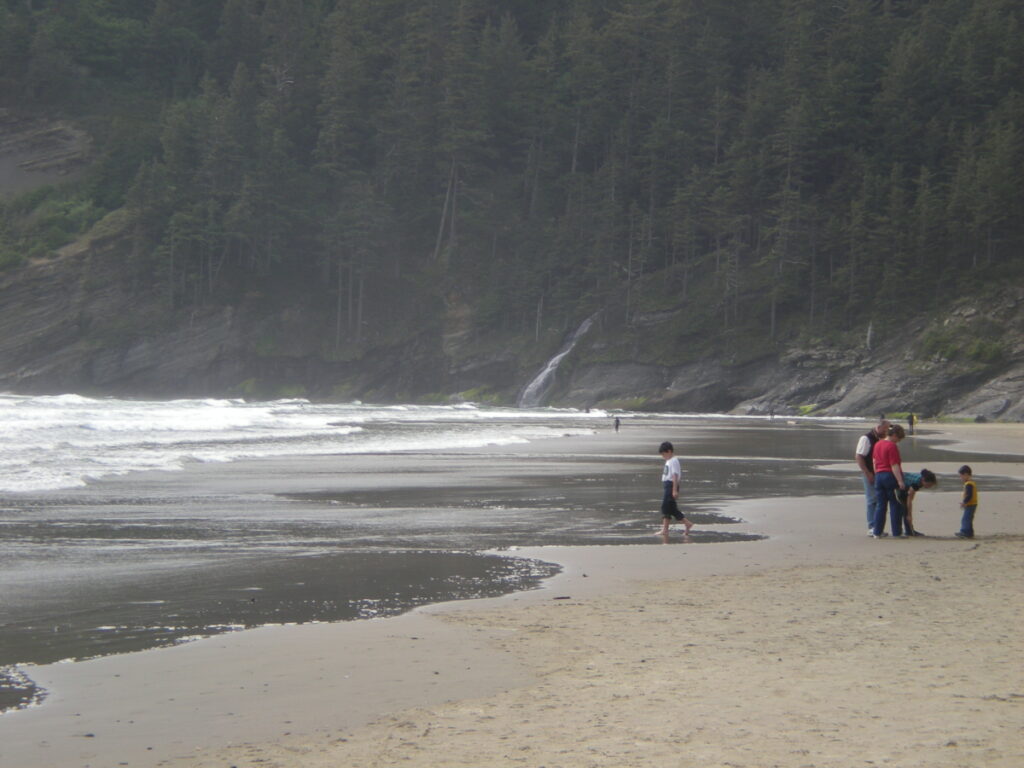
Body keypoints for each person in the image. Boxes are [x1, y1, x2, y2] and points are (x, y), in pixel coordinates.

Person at [855, 418, 890, 535]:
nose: (887, 432)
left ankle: (877, 527)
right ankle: (872, 527)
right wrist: (867, 473)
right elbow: (859, 457)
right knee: (872, 500)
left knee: (880, 500)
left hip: (880, 474)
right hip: (869, 473)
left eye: (888, 429)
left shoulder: (882, 439)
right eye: (885, 429)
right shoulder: (866, 438)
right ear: (878, 427)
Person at [871, 424, 906, 538]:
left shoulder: (877, 444)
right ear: (894, 435)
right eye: (899, 438)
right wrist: (900, 481)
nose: (898, 441)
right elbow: (894, 465)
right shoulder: (891, 446)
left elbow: (874, 461)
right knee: (895, 504)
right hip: (890, 476)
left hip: (879, 476)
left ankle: (877, 532)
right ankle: (897, 532)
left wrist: (876, 474)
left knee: (881, 505)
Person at [657, 441, 692, 537]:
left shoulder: (673, 460)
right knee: (670, 508)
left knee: (666, 507)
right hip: (667, 485)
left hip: (671, 485)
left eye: (664, 454)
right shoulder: (669, 460)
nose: (663, 456)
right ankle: (668, 529)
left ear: (669, 451)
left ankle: (667, 529)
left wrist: (674, 490)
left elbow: (675, 475)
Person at [896, 468, 937, 536]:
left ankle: (909, 530)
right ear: (924, 480)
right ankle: (907, 531)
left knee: (905, 511)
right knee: (905, 511)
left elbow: (911, 495)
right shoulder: (917, 483)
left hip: (904, 487)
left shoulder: (920, 479)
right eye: (929, 485)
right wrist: (909, 514)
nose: (929, 487)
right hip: (899, 487)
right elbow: (909, 498)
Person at [955, 465, 979, 539]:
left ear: (966, 474)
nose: (961, 478)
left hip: (970, 504)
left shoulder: (969, 484)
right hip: (972, 504)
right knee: (969, 518)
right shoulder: (971, 483)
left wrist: (964, 502)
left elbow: (969, 495)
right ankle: (970, 532)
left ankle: (965, 532)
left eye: (961, 476)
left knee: (965, 519)